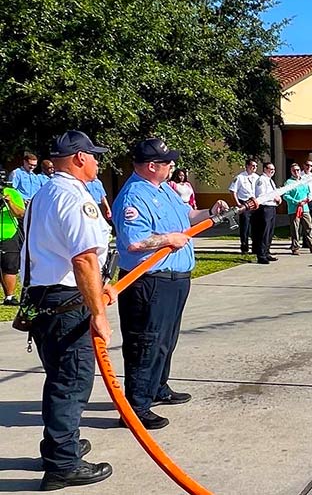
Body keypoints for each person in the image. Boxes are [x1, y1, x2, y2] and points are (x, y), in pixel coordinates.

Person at [113, 138, 232, 430]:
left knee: (165, 340)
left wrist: (211, 212)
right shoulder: (133, 196)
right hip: (149, 281)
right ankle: (136, 407)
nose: (172, 166)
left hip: (174, 279)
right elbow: (134, 241)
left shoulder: (164, 188)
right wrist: (168, 239)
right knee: (146, 342)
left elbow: (187, 217)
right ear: (152, 166)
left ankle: (157, 387)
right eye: (167, 162)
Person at [21, 131, 116, 490]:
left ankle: (58, 446)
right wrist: (99, 313)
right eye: (94, 156)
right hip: (67, 303)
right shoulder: (74, 197)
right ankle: (63, 463)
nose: (97, 162)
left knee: (59, 378)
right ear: (79, 158)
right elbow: (83, 259)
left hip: (45, 299)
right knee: (71, 382)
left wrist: (100, 286)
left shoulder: (44, 193)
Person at [283, 163, 312, 255]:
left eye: (298, 170)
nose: (296, 172)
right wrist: (296, 201)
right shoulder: (288, 182)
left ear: (300, 171)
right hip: (294, 209)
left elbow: (309, 192)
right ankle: (295, 247)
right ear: (291, 172)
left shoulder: (304, 181)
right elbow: (285, 196)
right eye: (294, 170)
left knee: (309, 227)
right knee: (295, 229)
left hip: (305, 208)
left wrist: (308, 198)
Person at [1, 175, 25, 306]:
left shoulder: (12, 193)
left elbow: (20, 213)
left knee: (10, 267)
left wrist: (9, 202)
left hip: (9, 234)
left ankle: (9, 296)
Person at [251, 162, 281, 264]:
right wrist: (274, 198)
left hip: (272, 207)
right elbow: (261, 195)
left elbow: (275, 193)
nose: (272, 171)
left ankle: (266, 252)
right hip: (265, 208)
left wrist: (278, 199)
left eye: (273, 169)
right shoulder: (261, 180)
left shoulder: (270, 180)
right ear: (264, 169)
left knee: (270, 232)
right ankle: (261, 255)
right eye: (270, 169)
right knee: (263, 232)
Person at [228, 159, 258, 254]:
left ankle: (255, 247)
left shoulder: (257, 177)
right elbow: (233, 191)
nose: (255, 168)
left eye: (256, 166)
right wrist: (238, 204)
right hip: (244, 203)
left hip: (255, 204)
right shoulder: (240, 177)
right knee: (245, 226)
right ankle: (244, 247)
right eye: (253, 166)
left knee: (255, 226)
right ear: (247, 166)